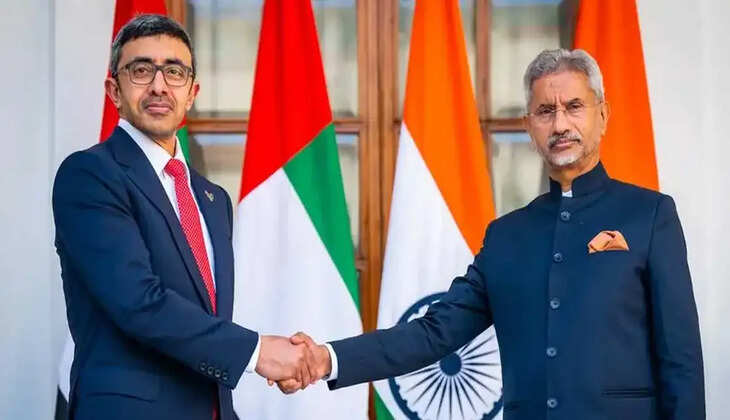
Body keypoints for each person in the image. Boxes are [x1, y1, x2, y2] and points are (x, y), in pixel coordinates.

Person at [279, 49, 705, 420]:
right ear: (529, 126)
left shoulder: (650, 215)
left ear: (603, 115)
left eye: (574, 106)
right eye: (545, 111)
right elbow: (434, 333)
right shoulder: (507, 236)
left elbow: (680, 360)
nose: (560, 123)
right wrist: (326, 358)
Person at [52, 15, 315, 420]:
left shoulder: (213, 199)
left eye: (174, 72)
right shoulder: (90, 175)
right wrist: (259, 352)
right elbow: (139, 302)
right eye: (141, 70)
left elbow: (206, 316)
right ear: (114, 91)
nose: (159, 85)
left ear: (191, 93)